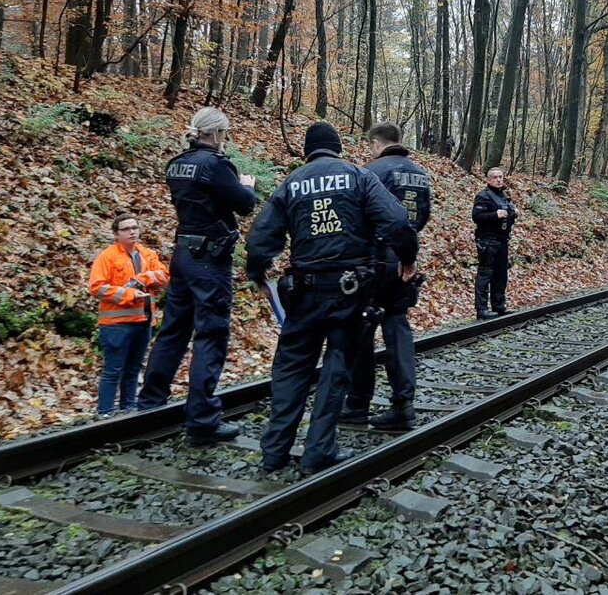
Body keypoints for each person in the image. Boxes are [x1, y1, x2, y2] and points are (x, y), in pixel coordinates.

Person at [246, 122, 419, 474]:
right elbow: (397, 221)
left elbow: (260, 236)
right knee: (336, 368)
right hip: (348, 292)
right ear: (337, 148)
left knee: (291, 368)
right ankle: (318, 451)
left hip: (303, 291)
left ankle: (274, 451)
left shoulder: (292, 183)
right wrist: (407, 259)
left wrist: (258, 273)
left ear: (306, 151)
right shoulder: (358, 176)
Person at [137, 107, 258, 444]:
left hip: (182, 254)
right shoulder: (215, 165)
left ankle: (149, 406)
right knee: (211, 333)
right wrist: (247, 185)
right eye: (225, 133)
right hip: (209, 258)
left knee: (173, 330)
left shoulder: (177, 163)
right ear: (217, 133)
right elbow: (245, 204)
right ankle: (203, 419)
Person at [338, 122, 431, 432]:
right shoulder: (419, 173)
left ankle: (357, 403)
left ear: (376, 143)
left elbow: (356, 216)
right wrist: (408, 254)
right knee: (397, 324)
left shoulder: (370, 171)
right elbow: (423, 215)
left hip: (374, 257)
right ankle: (403, 404)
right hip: (404, 257)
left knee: (362, 327)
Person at [89, 213, 169, 416]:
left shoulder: (146, 254)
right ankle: (105, 412)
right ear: (116, 234)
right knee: (113, 370)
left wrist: (142, 279)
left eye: (134, 227)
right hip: (116, 323)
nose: (132, 232)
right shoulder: (107, 256)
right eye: (126, 229)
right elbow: (97, 287)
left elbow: (164, 275)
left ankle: (128, 408)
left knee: (134, 368)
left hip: (143, 321)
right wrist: (129, 294)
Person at [472, 167, 518, 320]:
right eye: (495, 177)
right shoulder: (483, 196)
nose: (498, 180)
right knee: (485, 274)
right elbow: (477, 217)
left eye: (500, 177)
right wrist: (495, 215)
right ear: (488, 179)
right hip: (488, 240)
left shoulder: (504, 196)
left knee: (500, 274)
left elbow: (507, 216)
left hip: (502, 240)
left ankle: (499, 306)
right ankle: (482, 309)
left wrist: (513, 213)